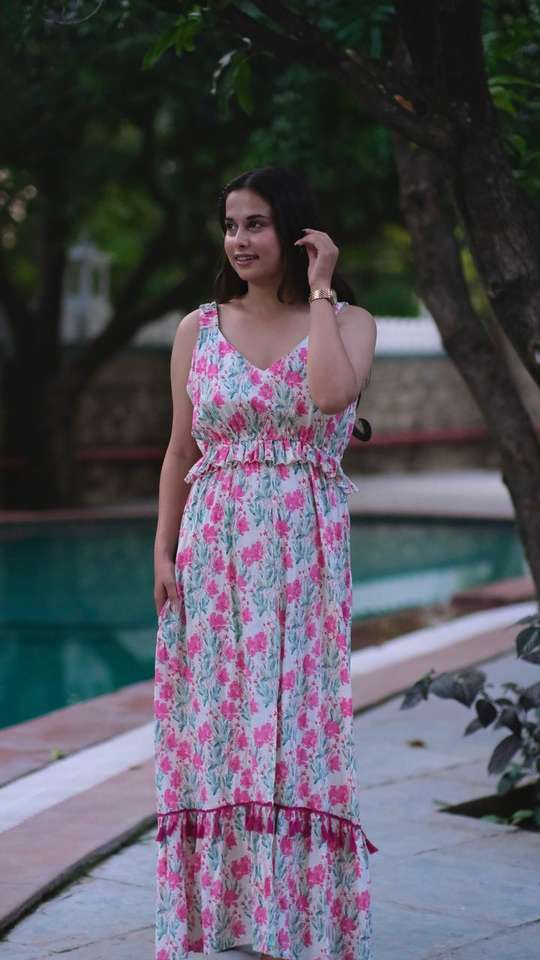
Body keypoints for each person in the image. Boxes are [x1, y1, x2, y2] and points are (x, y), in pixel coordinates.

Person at [153, 165, 378, 960]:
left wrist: (318, 289)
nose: (239, 240)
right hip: (212, 550)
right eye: (230, 225)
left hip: (304, 552)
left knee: (296, 729)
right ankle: (226, 914)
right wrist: (162, 551)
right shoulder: (198, 329)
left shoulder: (348, 322)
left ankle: (294, 916)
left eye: (255, 223)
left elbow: (329, 398)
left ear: (295, 230)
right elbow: (179, 449)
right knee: (217, 728)